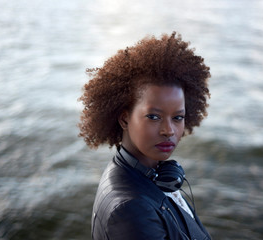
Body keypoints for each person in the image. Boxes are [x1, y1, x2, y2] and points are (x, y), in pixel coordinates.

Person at [79, 32, 212, 240]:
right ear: (124, 119)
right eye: (153, 116)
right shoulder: (130, 211)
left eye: (178, 118)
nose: (169, 130)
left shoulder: (156, 175)